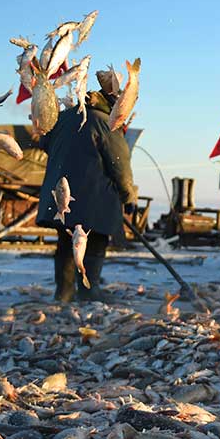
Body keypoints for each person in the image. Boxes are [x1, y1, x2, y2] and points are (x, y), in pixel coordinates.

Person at [37, 71, 135, 303]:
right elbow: (119, 164)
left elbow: (44, 143)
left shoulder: (64, 118)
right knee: (95, 244)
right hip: (95, 198)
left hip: (62, 195)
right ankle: (89, 292)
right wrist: (128, 197)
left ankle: (63, 293)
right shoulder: (105, 123)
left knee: (65, 244)